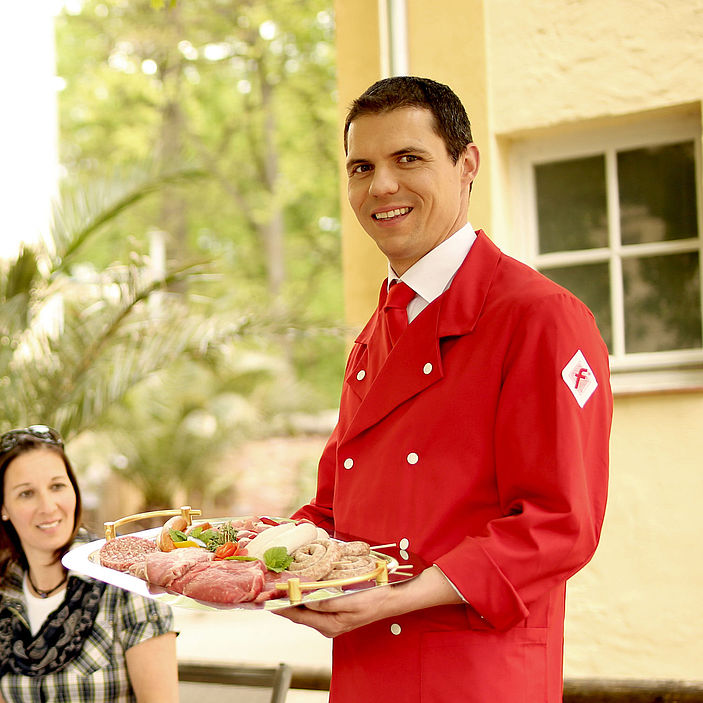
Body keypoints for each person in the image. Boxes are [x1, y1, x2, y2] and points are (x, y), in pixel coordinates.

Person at [279, 76, 613, 702]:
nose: (381, 186)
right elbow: (334, 511)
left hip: (476, 674)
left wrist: (404, 595)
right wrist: (244, 557)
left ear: (466, 166)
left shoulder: (540, 317)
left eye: (409, 159)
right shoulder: (378, 330)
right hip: (369, 670)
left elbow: (560, 522)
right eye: (361, 167)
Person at [0, 425, 178, 703]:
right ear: (3, 508)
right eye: (26, 493)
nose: (48, 506)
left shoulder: (127, 581)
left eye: (57, 486)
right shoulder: (3, 593)